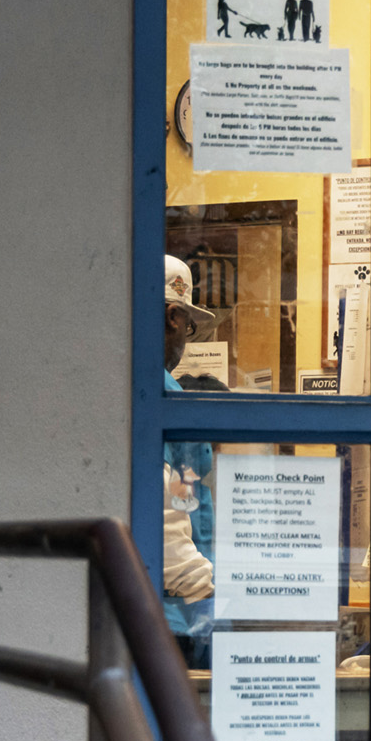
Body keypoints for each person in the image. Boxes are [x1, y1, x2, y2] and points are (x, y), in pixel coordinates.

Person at [162, 256, 222, 662]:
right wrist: (213, 601)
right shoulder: (159, 397)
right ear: (173, 317)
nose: (187, 340)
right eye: (189, 327)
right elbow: (166, 521)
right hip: (173, 618)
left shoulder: (151, 390)